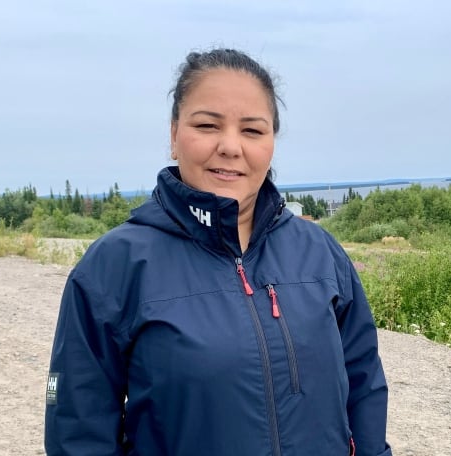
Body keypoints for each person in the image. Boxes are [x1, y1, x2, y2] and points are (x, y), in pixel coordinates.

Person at [44, 48, 392, 456]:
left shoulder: (319, 253)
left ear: (271, 143)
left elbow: (364, 384)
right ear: (174, 135)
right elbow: (78, 431)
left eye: (252, 130)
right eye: (208, 125)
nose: (230, 146)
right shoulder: (114, 267)